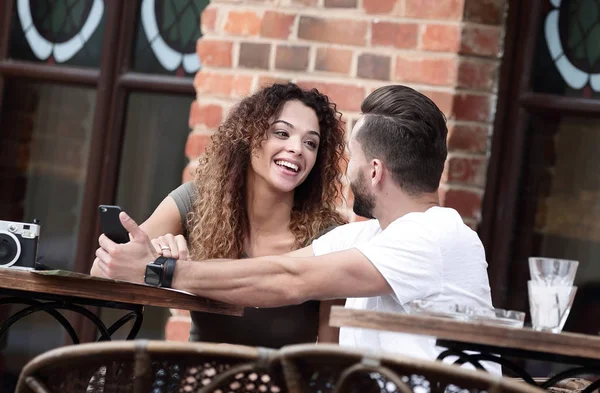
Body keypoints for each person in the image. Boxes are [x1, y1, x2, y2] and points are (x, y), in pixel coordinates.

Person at [92, 84, 494, 361]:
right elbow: (271, 273)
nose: (342, 170)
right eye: (281, 132)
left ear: (374, 171)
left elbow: (288, 279)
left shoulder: (436, 236)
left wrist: (161, 271)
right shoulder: (364, 237)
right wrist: (156, 262)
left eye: (348, 157)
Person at [92, 83, 348, 347]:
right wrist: (152, 256)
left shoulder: (329, 238)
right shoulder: (196, 203)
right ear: (250, 136)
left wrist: (166, 271)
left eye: (310, 143)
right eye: (282, 133)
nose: (297, 148)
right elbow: (100, 275)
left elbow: (328, 353)